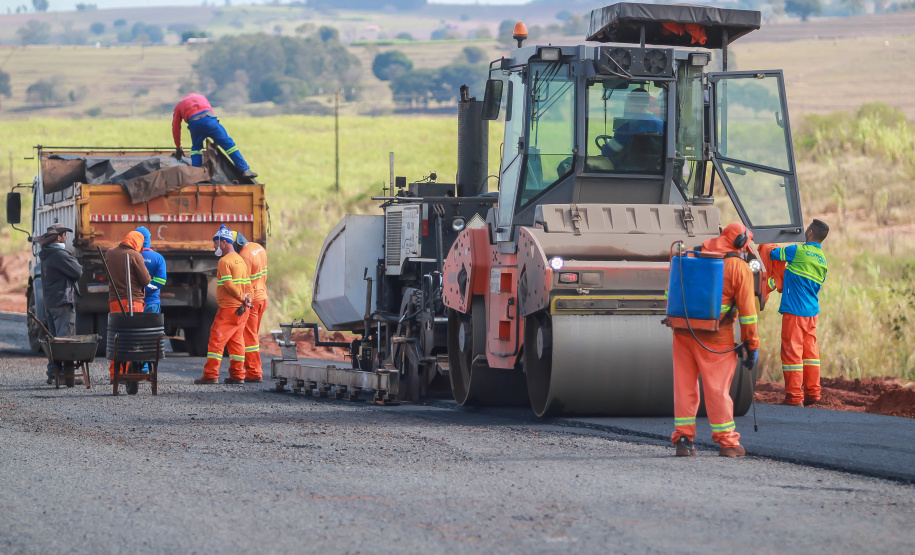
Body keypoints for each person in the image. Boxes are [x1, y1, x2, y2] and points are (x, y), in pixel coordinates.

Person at [670, 222, 759, 458]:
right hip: (716, 339)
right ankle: (728, 443)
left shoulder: (693, 255)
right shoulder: (738, 267)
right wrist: (751, 345)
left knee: (684, 388)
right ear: (740, 242)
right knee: (717, 390)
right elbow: (748, 315)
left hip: (683, 333)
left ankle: (683, 440)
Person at [767, 220, 829, 407]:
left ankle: (794, 398)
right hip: (812, 314)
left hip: (795, 313)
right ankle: (813, 394)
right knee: (810, 355)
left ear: (810, 232)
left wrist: (768, 242)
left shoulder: (798, 251)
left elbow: (773, 254)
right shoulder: (823, 260)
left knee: (791, 354)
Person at [195, 225, 252, 385]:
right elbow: (248, 284)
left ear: (224, 242)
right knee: (236, 341)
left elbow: (228, 284)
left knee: (216, 340)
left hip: (228, 309)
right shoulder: (241, 260)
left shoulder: (224, 261)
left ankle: (210, 375)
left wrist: (241, 297)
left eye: (216, 242)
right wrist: (248, 298)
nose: (214, 246)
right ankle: (238, 375)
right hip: (242, 310)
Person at [36, 224, 83, 385]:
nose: (66, 238)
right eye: (64, 235)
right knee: (65, 339)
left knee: (54, 339)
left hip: (51, 301)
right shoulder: (59, 255)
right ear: (58, 238)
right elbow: (77, 271)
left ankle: (53, 372)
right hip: (63, 301)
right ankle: (65, 375)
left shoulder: (46, 253)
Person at [172, 93, 258, 178]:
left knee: (196, 148)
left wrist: (178, 147)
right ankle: (245, 169)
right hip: (210, 121)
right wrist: (216, 141)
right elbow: (210, 113)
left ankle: (196, 175)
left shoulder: (179, 105)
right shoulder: (201, 97)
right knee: (229, 145)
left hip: (194, 124)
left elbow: (176, 127)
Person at [104, 230, 151, 380]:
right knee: (131, 339)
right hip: (133, 301)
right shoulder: (135, 255)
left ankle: (115, 374)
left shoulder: (110, 253)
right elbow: (145, 280)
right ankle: (126, 374)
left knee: (116, 337)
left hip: (114, 301)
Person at [233, 231, 268, 383]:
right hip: (262, 298)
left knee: (249, 338)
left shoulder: (244, 256)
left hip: (252, 301)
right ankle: (253, 371)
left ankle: (254, 373)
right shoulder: (258, 247)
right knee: (252, 335)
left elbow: (243, 283)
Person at [601, 88, 664, 157]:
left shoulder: (625, 129)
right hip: (656, 163)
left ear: (629, 103)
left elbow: (608, 152)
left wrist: (604, 148)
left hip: (629, 164)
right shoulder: (662, 125)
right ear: (649, 104)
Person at [135, 227, 167, 314]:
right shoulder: (158, 258)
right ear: (149, 239)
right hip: (152, 303)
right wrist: (146, 290)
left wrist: (138, 292)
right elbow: (161, 281)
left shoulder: (130, 257)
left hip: (134, 303)